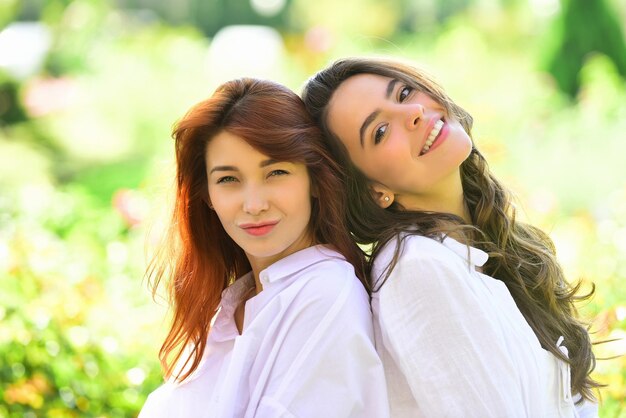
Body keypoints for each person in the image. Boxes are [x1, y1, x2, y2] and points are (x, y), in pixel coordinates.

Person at [301, 57, 600, 417]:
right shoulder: (417, 270)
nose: (412, 113)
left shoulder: (476, 250)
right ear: (373, 191)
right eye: (379, 132)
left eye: (404, 92)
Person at [139, 78, 389, 418]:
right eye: (228, 179)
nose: (253, 204)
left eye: (276, 172)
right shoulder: (234, 304)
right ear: (207, 196)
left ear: (314, 181)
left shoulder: (325, 293)